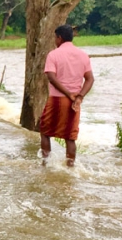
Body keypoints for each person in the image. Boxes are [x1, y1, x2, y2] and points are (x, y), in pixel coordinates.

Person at [39, 25, 94, 167]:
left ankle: (45, 163)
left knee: (45, 132)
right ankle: (70, 167)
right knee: (70, 137)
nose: (54, 41)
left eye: (55, 38)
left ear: (59, 38)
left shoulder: (54, 54)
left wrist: (67, 93)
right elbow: (90, 79)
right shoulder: (83, 55)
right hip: (74, 102)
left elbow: (51, 77)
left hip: (57, 99)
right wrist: (79, 96)